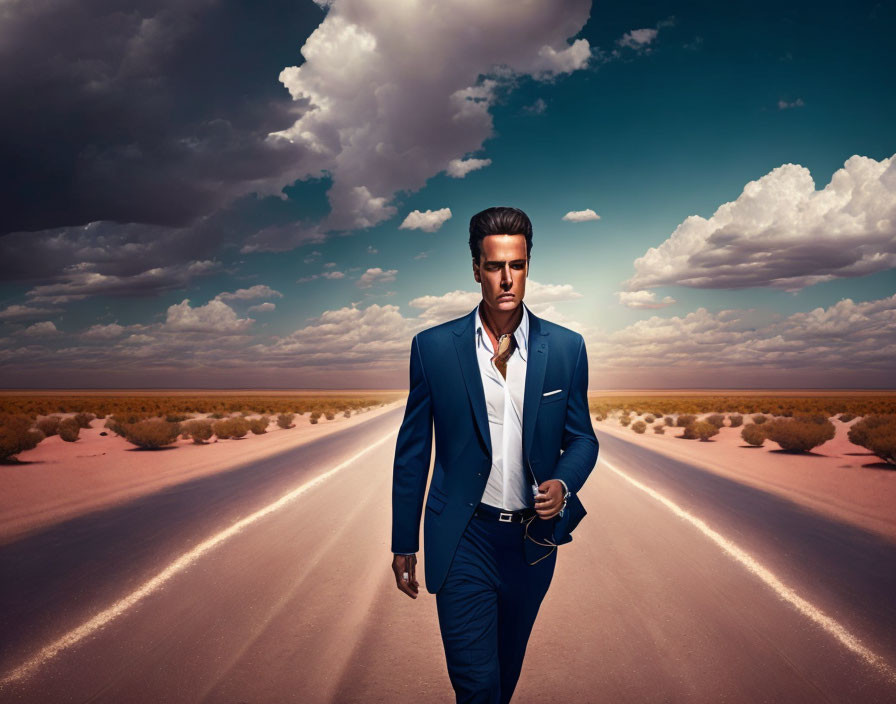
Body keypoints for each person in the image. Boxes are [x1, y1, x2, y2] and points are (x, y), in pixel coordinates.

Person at [390, 205, 599, 703]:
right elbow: (413, 451)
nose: (507, 279)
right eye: (494, 266)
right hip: (464, 538)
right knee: (477, 686)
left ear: (528, 266)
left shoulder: (567, 348)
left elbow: (584, 438)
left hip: (531, 543)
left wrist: (563, 483)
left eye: (517, 265)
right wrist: (403, 541)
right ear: (476, 269)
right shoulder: (433, 348)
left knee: (503, 680)